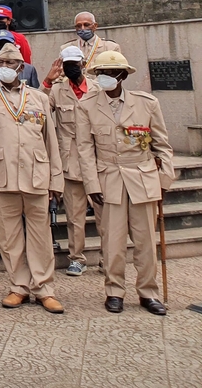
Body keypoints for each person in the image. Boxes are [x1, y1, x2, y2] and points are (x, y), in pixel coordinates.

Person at [76, 51, 174, 315]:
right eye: (100, 74)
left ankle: (148, 292)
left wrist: (164, 180)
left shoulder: (147, 103)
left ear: (121, 75)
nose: (103, 78)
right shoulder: (86, 105)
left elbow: (162, 146)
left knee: (145, 242)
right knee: (113, 242)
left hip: (143, 178)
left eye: (108, 73)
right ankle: (114, 291)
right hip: (109, 179)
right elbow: (85, 149)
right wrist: (92, 185)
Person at [0, 43, 65, 314]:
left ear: (21, 68)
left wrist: (56, 180)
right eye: (1, 63)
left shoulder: (39, 98)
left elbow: (51, 141)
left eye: (11, 64)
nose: (6, 68)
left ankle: (45, 289)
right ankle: (18, 286)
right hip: (1, 175)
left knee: (41, 236)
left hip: (36, 174)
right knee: (9, 237)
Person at [42, 46, 98, 276]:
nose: (72, 67)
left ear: (83, 63)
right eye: (67, 64)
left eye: (75, 63)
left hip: (98, 160)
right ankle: (77, 258)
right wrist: (47, 82)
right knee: (75, 217)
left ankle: (110, 257)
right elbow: (38, 110)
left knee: (107, 215)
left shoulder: (97, 88)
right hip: (71, 162)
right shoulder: (57, 90)